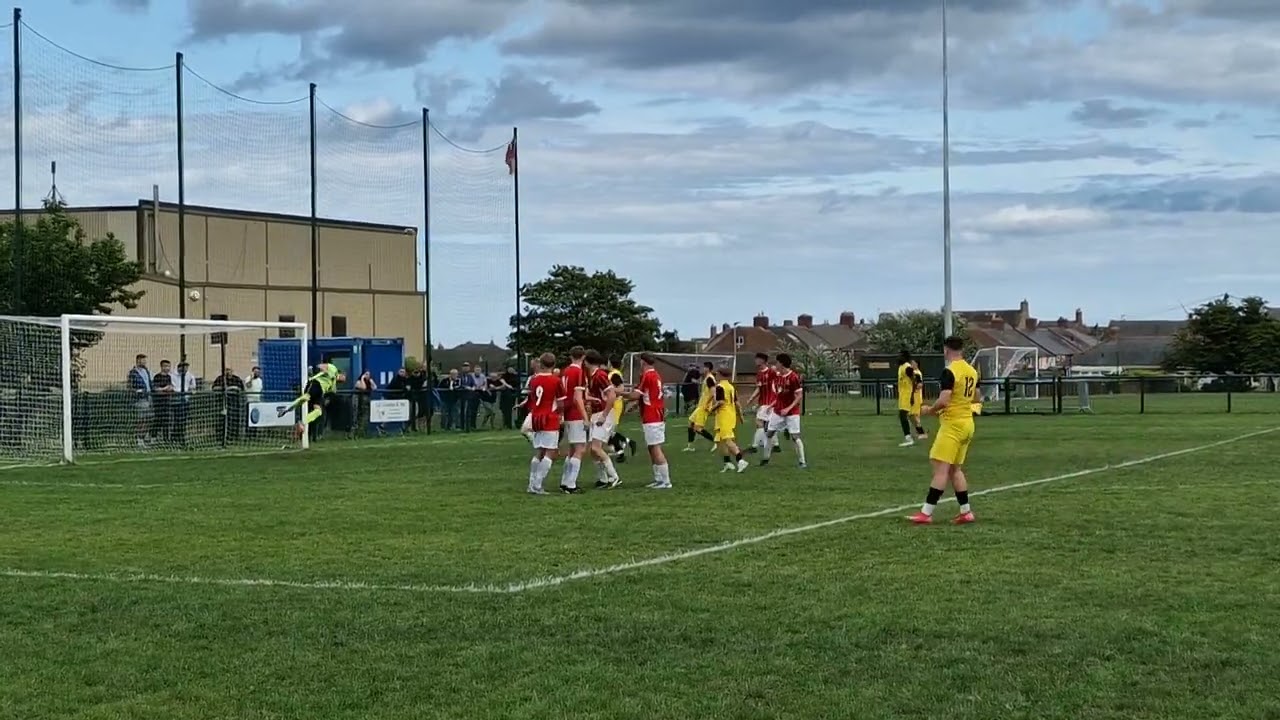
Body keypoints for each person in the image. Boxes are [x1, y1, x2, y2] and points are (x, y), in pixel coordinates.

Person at [909, 336, 980, 525]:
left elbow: (944, 400)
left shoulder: (950, 371)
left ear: (946, 350)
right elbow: (977, 396)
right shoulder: (971, 371)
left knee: (940, 468)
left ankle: (926, 513)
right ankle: (966, 512)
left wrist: (929, 410)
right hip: (967, 423)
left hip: (953, 425)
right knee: (955, 469)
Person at [626, 351, 672, 489]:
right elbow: (646, 396)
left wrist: (618, 393)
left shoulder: (647, 375)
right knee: (652, 447)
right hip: (654, 414)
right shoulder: (656, 375)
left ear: (643, 362)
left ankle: (666, 481)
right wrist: (635, 406)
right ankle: (658, 479)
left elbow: (635, 395)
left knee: (656, 448)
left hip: (652, 415)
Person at [524, 352, 563, 495]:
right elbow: (560, 402)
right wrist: (561, 415)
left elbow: (532, 398)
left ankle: (531, 483)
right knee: (551, 451)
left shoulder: (534, 380)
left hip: (536, 417)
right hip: (549, 418)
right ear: (553, 364)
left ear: (540, 364)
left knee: (540, 451)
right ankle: (537, 485)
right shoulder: (555, 381)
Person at [761, 353, 806, 468]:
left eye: (777, 362)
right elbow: (779, 395)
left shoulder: (793, 377)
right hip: (777, 411)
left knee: (795, 437)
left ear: (781, 363)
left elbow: (799, 395)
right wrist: (771, 405)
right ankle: (765, 459)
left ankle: (802, 462)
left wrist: (788, 408)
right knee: (769, 433)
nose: (775, 364)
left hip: (791, 413)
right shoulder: (778, 376)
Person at [584, 350, 622, 489]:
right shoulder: (593, 375)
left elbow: (611, 395)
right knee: (593, 450)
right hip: (596, 413)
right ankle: (603, 479)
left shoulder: (600, 375)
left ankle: (614, 477)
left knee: (596, 447)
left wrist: (604, 415)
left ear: (587, 361)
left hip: (602, 414)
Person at [279, 363, 345, 439]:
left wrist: (326, 399)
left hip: (320, 392)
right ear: (341, 373)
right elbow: (320, 366)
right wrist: (323, 369)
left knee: (318, 411)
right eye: (344, 377)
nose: (344, 380)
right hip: (315, 384)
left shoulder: (334, 385)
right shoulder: (333, 368)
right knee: (306, 397)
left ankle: (302, 422)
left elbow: (330, 393)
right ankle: (286, 409)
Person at [558, 346, 590, 494]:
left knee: (572, 449)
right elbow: (578, 397)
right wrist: (585, 417)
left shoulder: (565, 371)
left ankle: (564, 481)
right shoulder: (579, 372)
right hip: (576, 413)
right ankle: (571, 484)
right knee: (580, 449)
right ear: (583, 357)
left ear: (571, 356)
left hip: (567, 411)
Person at [710, 366, 748, 473]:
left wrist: (711, 409)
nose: (716, 376)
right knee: (719, 441)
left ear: (720, 375)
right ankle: (727, 463)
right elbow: (737, 403)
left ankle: (740, 460)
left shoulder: (720, 387)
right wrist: (740, 416)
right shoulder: (731, 387)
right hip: (730, 415)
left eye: (717, 374)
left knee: (727, 440)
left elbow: (721, 402)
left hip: (724, 416)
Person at [745, 352, 780, 455]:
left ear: (763, 361)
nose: (755, 361)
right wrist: (751, 398)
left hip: (769, 403)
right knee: (768, 426)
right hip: (763, 402)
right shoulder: (760, 374)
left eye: (757, 359)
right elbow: (759, 388)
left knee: (759, 423)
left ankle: (754, 446)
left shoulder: (771, 372)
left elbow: (780, 376)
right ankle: (776, 445)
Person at [683, 361, 718, 452]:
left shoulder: (710, 378)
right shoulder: (706, 378)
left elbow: (713, 393)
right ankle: (690, 446)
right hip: (701, 405)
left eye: (705, 367)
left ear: (708, 369)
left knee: (698, 428)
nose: (703, 369)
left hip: (704, 407)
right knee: (690, 423)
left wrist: (708, 404)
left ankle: (716, 442)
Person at [606, 356, 636, 461]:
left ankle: (625, 445)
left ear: (610, 363)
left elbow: (621, 388)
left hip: (615, 404)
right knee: (609, 431)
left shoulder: (614, 374)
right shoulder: (614, 373)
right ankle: (622, 450)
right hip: (613, 403)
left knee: (608, 431)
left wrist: (611, 392)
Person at [896, 351, 928, 447]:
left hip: (907, 396)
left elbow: (916, 378)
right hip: (903, 396)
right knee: (907, 416)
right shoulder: (902, 367)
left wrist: (913, 393)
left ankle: (909, 438)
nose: (898, 357)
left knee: (904, 415)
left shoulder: (907, 367)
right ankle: (918, 434)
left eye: (900, 356)